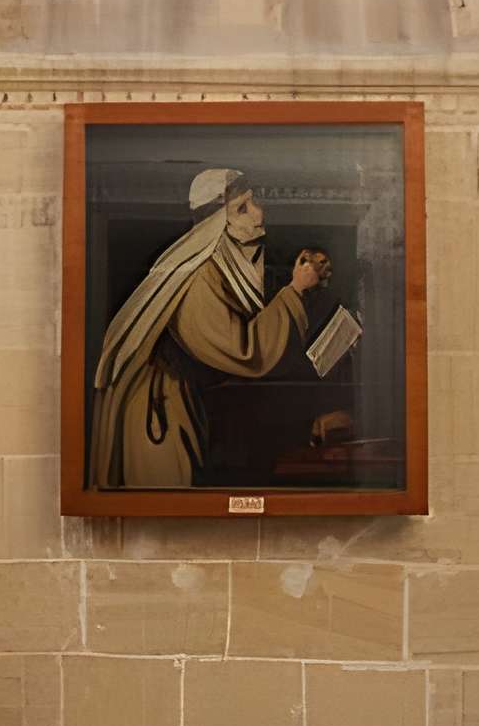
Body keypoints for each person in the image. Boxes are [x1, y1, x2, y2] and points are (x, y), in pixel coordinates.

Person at [89, 166, 324, 488]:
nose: (258, 213)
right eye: (242, 208)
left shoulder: (223, 261)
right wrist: (295, 291)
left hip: (185, 398)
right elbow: (242, 350)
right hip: (159, 413)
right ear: (216, 222)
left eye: (254, 201)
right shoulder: (199, 276)